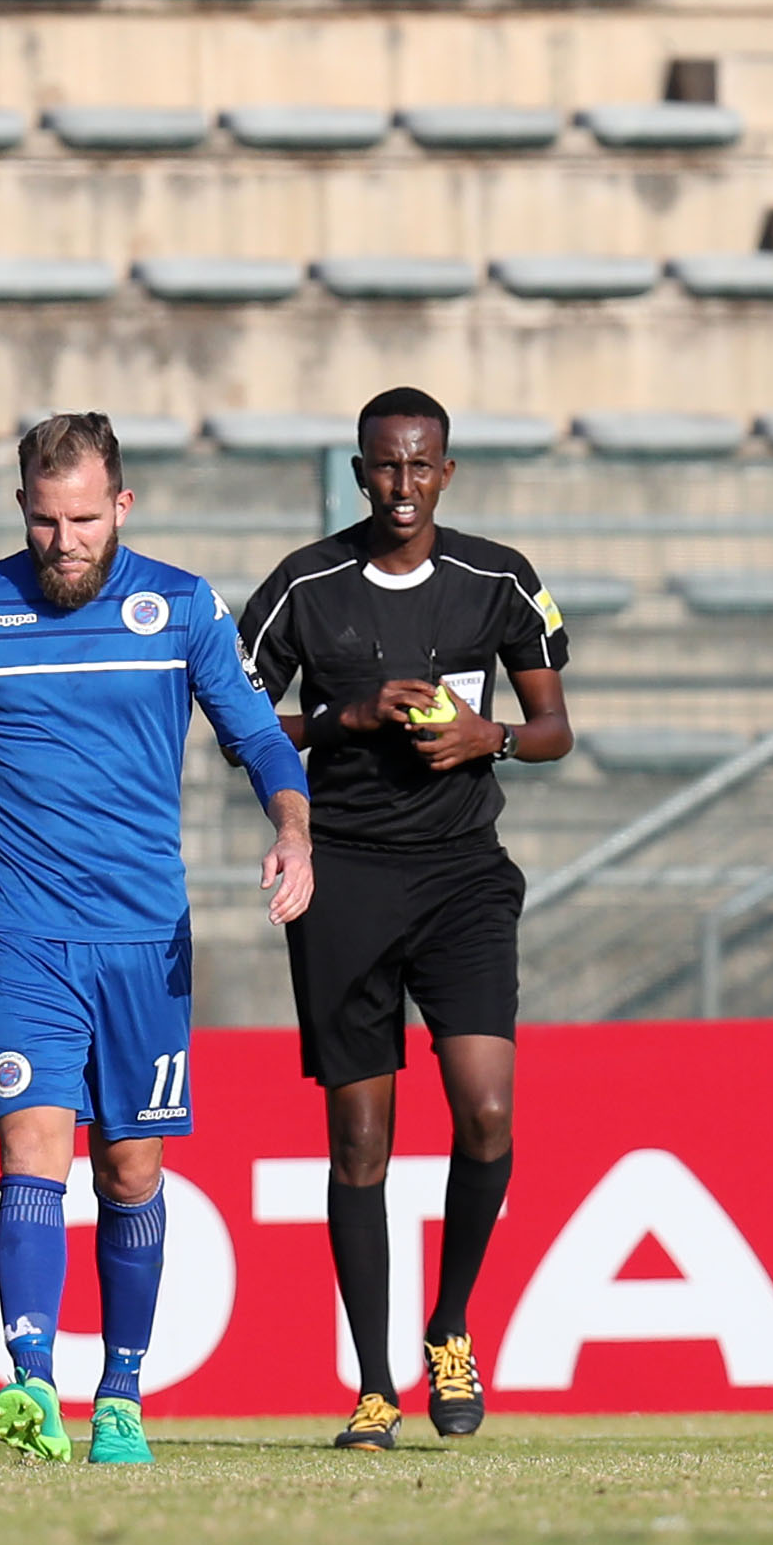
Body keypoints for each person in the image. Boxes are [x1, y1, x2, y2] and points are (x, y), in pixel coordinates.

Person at [0, 414, 315, 1467]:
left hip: (144, 941)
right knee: (29, 1150)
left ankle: (122, 1392)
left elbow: (261, 734)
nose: (63, 539)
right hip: (20, 942)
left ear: (121, 506)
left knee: (130, 1166)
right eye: (44, 520)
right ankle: (32, 1379)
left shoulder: (178, 604)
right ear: (20, 512)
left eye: (83, 518)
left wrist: (293, 828)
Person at [236, 386, 574, 1450]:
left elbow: (555, 723)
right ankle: (374, 1386)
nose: (401, 485)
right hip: (343, 877)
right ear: (357, 470)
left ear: (447, 471)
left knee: (485, 1113)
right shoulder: (303, 584)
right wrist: (345, 716)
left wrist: (494, 740)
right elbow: (237, 717)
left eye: (420, 465)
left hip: (463, 873)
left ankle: (450, 1324)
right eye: (384, 466)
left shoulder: (498, 578)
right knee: (360, 1141)